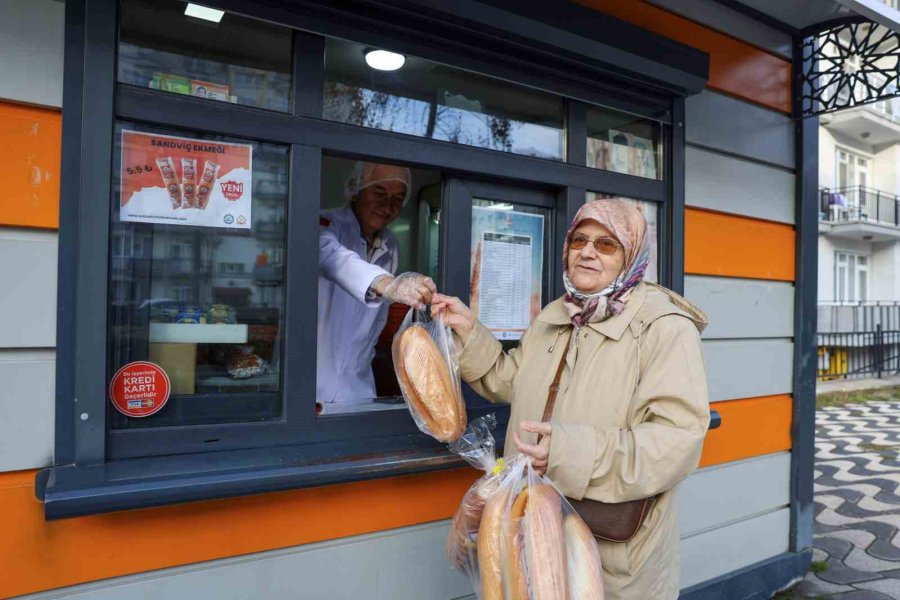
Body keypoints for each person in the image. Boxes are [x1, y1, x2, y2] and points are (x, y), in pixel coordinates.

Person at [433, 198, 709, 599]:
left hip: (610, 556)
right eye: (579, 240)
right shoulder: (557, 315)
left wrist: (566, 452)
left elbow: (675, 442)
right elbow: (510, 381)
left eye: (606, 244)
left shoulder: (664, 329)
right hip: (530, 533)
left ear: (631, 255)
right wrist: (468, 331)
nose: (588, 252)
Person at [318, 161, 436, 405]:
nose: (387, 206)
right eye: (379, 193)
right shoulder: (326, 224)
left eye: (397, 198)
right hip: (310, 384)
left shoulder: (390, 245)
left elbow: (376, 324)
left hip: (358, 387)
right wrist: (389, 284)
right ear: (356, 190)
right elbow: (331, 257)